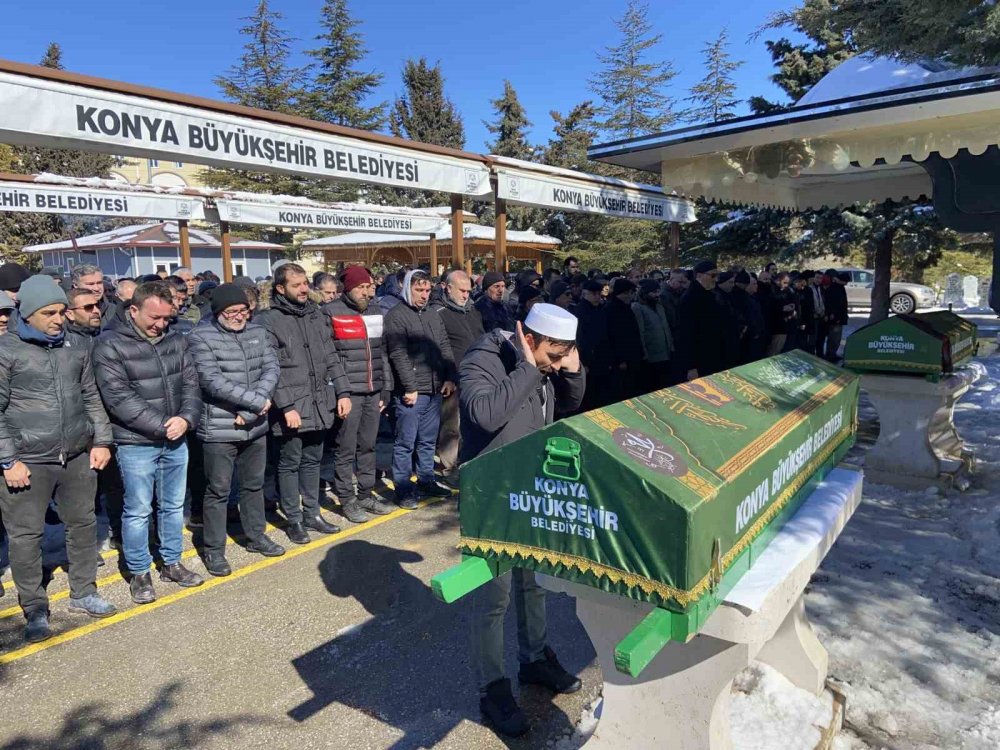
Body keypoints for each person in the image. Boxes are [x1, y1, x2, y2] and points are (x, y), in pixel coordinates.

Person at [459, 304, 585, 738]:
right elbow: (485, 414)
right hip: (490, 494)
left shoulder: (546, 365)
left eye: (560, 357)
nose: (552, 366)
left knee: (534, 583)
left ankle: (534, 660)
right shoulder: (484, 358)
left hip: (531, 489)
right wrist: (530, 370)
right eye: (551, 356)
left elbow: (568, 404)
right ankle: (492, 688)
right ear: (528, 339)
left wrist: (572, 369)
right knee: (493, 598)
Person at [0, 276, 117, 642]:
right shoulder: (6, 351)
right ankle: (34, 607)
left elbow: (91, 396)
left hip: (78, 456)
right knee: (26, 536)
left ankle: (84, 592)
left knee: (82, 525)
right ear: (28, 313)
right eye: (49, 313)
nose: (59, 319)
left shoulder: (74, 348)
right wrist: (8, 460)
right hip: (27, 461)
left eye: (62, 311)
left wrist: (102, 440)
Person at [94, 281, 204, 604]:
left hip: (175, 437)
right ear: (133, 310)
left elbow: (191, 383)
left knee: (173, 506)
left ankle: (171, 562)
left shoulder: (177, 339)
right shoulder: (109, 345)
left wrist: (185, 419)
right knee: (139, 510)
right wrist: (161, 426)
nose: (161, 325)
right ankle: (139, 571)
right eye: (154, 318)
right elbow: (117, 398)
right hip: (136, 442)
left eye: (167, 318)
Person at [187, 284, 284, 576]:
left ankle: (256, 536)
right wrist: (255, 404)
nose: (239, 316)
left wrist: (252, 408)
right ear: (218, 312)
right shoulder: (200, 337)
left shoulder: (258, 332)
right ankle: (214, 550)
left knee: (254, 484)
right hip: (220, 427)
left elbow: (272, 369)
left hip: (254, 423)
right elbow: (211, 380)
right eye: (232, 311)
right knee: (217, 491)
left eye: (243, 310)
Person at [257, 263, 352, 545]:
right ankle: (294, 519)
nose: (303, 289)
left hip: (320, 400)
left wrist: (343, 392)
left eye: (305, 283)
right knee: (289, 462)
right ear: (280, 288)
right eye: (296, 285)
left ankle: (312, 513)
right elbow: (270, 367)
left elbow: (331, 355)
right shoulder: (268, 320)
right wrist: (286, 406)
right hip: (292, 406)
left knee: (313, 460)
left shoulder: (316, 314)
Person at [324, 266, 396, 523]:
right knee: (345, 448)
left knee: (368, 445)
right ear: (348, 288)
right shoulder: (331, 313)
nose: (367, 292)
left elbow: (382, 354)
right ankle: (347, 498)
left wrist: (385, 388)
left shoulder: (376, 312)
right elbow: (329, 358)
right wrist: (340, 392)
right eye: (361, 288)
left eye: (369, 287)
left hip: (373, 390)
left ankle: (366, 493)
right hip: (349, 393)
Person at [384, 269, 456, 508]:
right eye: (419, 290)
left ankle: (426, 479)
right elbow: (398, 354)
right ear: (407, 288)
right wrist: (410, 386)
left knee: (427, 441)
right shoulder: (397, 316)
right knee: (405, 442)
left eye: (427, 290)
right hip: (412, 392)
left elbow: (443, 346)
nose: (424, 295)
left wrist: (449, 376)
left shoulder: (432, 314)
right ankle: (403, 487)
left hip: (434, 388)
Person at [431, 270, 484, 486]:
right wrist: (448, 376)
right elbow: (438, 349)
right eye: (462, 291)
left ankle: (468, 461)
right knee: (452, 424)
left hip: (477, 374)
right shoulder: (438, 313)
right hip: (452, 376)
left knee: (473, 421)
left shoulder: (473, 310)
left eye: (469, 291)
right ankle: (448, 466)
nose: (465, 295)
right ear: (447, 287)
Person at [677, 261, 727, 380]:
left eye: (717, 275)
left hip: (713, 354)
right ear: (699, 276)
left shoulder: (710, 295)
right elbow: (686, 334)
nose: (716, 279)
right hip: (700, 360)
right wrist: (691, 366)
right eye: (712, 275)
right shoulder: (689, 299)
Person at [571, 279, 612, 411]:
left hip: (603, 358)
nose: (597, 296)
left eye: (598, 293)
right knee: (590, 396)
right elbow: (580, 339)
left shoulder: (601, 309)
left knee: (603, 393)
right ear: (585, 294)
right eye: (593, 293)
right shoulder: (579, 311)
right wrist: (584, 362)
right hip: (588, 359)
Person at [605, 278, 644, 400]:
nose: (630, 296)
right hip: (622, 360)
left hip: (633, 356)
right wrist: (620, 360)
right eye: (628, 293)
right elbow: (613, 336)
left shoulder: (626, 308)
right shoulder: (611, 309)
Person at [632, 278, 675, 390]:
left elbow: (666, 327)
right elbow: (641, 331)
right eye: (654, 292)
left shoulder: (659, 306)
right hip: (652, 354)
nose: (657, 294)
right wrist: (644, 353)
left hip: (666, 352)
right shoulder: (638, 307)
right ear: (646, 293)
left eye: (658, 291)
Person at [714, 272, 745, 370]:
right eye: (730, 282)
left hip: (732, 337)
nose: (733, 285)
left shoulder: (729, 295)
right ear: (722, 283)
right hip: (723, 340)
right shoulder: (717, 296)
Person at [733, 272, 767, 363]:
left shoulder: (754, 298)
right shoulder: (742, 299)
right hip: (747, 339)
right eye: (754, 284)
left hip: (757, 337)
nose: (757, 286)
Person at [70, 264, 115, 328]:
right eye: (91, 284)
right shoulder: (62, 310)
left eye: (99, 283)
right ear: (75, 285)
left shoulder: (113, 310)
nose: (96, 288)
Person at [823, 271, 850, 362]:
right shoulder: (834, 288)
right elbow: (833, 303)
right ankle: (830, 354)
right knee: (834, 337)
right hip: (835, 317)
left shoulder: (840, 288)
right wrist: (834, 315)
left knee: (837, 338)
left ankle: (833, 353)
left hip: (839, 316)